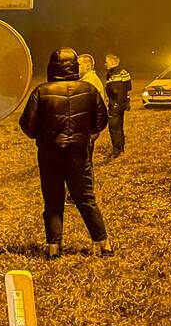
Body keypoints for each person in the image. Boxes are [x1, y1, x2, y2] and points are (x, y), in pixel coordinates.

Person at [20, 47, 112, 258]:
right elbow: (101, 120)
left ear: (51, 67)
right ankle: (104, 243)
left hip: (49, 153)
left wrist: (42, 137)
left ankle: (54, 247)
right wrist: (85, 135)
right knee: (85, 198)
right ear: (75, 66)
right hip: (79, 153)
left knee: (52, 200)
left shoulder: (41, 92)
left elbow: (27, 125)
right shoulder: (89, 90)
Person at [105, 53, 132, 157]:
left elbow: (115, 90)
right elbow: (128, 87)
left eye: (106, 62)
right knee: (119, 126)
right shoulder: (123, 72)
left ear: (112, 62)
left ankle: (116, 150)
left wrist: (116, 103)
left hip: (115, 104)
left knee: (113, 127)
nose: (105, 64)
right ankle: (121, 147)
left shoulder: (113, 73)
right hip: (121, 104)